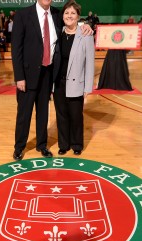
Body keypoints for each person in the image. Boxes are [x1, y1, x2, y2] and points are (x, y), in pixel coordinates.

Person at [11, 0, 92, 161]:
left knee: (43, 114)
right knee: (24, 115)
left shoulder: (56, 14)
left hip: (48, 74)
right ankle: (19, 147)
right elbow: (16, 48)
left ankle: (42, 145)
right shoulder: (23, 15)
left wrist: (86, 24)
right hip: (27, 76)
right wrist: (19, 76)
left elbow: (72, 21)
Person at [53, 0, 94, 156]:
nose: (69, 16)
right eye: (66, 12)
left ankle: (77, 144)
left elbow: (90, 62)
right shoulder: (58, 33)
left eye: (73, 13)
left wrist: (87, 87)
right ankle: (64, 144)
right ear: (62, 16)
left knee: (76, 116)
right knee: (61, 115)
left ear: (78, 16)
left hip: (77, 84)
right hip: (58, 83)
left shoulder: (85, 35)